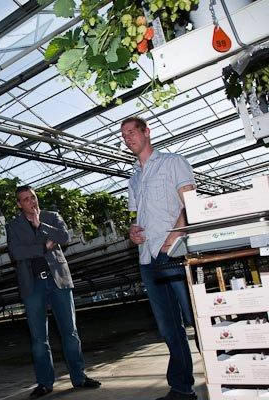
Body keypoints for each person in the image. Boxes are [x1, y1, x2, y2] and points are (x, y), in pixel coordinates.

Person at [122, 116, 197, 400]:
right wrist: (133, 232)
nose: (127, 138)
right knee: (168, 328)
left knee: (196, 318)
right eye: (124, 135)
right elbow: (136, 217)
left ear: (147, 132)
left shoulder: (172, 162)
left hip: (175, 252)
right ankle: (182, 388)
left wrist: (173, 237)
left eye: (132, 132)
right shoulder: (133, 178)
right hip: (148, 258)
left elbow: (190, 203)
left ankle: (225, 375)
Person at [6, 186, 101, 399]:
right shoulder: (13, 225)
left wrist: (41, 225)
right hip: (32, 285)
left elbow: (64, 236)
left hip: (58, 279)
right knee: (39, 338)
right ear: (19, 204)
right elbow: (16, 252)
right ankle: (44, 383)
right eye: (25, 199)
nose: (31, 201)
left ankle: (79, 377)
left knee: (70, 332)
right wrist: (43, 247)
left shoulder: (52, 216)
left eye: (33, 197)